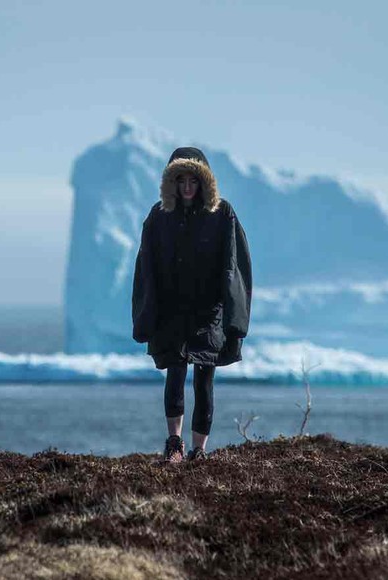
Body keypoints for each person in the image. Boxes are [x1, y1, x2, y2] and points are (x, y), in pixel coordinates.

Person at [132, 146, 253, 464]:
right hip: (172, 313)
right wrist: (147, 314)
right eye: (181, 180)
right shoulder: (159, 216)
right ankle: (174, 444)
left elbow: (234, 265)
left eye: (193, 180)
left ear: (204, 182)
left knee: (204, 379)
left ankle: (199, 450)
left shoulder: (222, 214)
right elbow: (146, 267)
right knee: (174, 372)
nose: (187, 187)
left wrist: (234, 319)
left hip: (207, 314)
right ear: (171, 182)